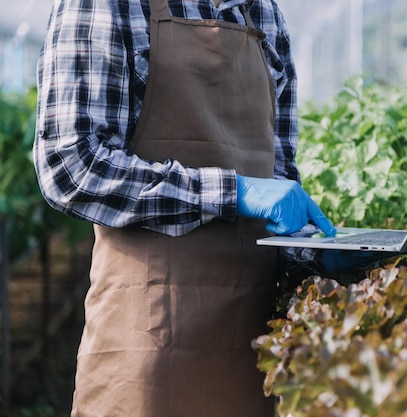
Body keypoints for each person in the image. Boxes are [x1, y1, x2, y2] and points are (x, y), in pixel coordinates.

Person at [34, 0, 343, 416]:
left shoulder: (263, 14)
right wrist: (232, 192)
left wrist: (319, 254)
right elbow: (72, 165)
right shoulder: (109, 5)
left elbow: (278, 184)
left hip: (254, 348)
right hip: (146, 346)